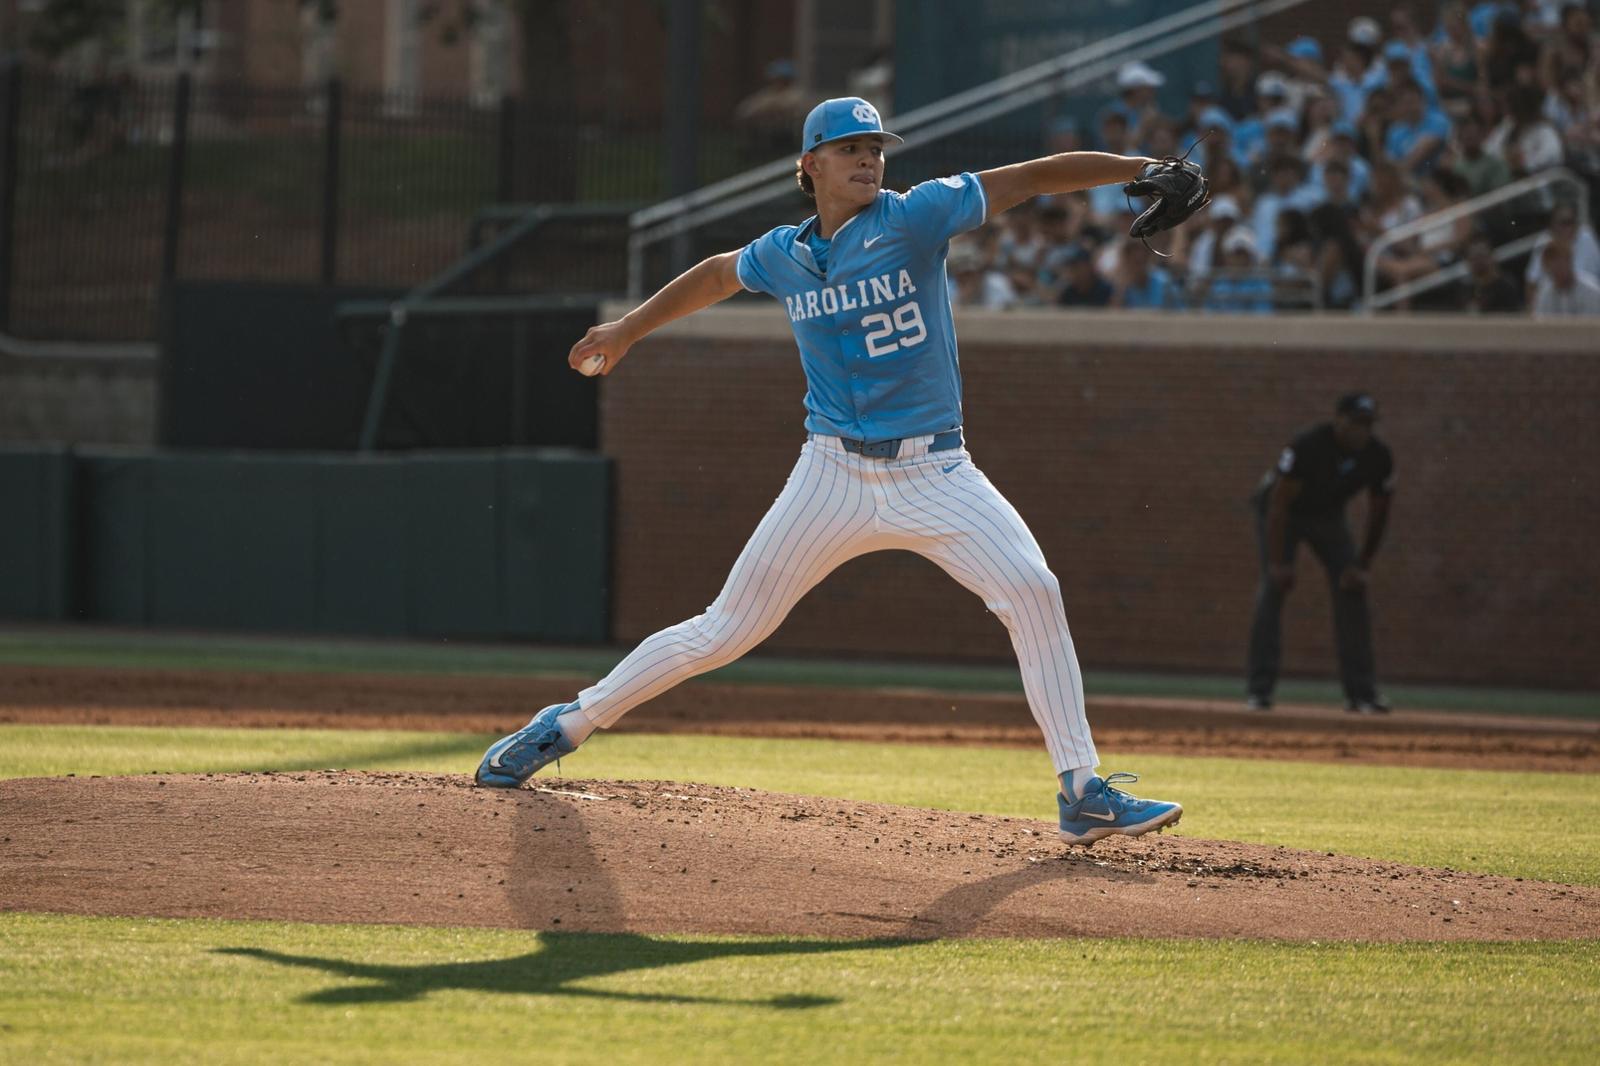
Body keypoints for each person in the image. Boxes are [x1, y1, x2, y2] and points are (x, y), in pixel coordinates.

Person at [474, 97, 1191, 845]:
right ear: (810, 165)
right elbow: (719, 274)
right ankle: (568, 724)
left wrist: (1139, 169)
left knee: (1033, 591)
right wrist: (628, 328)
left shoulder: (917, 216)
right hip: (831, 477)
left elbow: (1033, 178)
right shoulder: (783, 253)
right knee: (725, 630)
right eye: (850, 149)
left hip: (937, 471)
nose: (869, 160)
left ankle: (1082, 791)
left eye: (875, 147)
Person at [1246, 393, 1395, 713]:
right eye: (1355, 423)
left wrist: (1362, 563)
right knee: (1273, 588)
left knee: (1352, 588)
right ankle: (1259, 690)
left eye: (1368, 425)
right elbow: (1278, 505)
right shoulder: (1309, 446)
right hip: (1280, 514)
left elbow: (1380, 510)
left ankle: (1361, 693)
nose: (1361, 432)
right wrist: (1277, 562)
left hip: (1326, 517)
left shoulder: (1378, 455)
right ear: (1338, 419)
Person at [1531, 239, 1600, 313]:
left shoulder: (1592, 291)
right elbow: (1540, 322)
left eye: (1559, 266)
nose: (1555, 270)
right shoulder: (1544, 296)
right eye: (1551, 269)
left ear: (1569, 260)